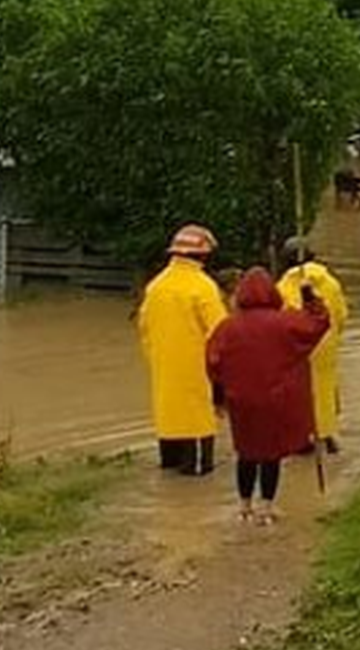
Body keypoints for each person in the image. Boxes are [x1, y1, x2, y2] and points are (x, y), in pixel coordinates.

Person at [205, 266, 330, 523]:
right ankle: (267, 508)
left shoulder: (226, 328)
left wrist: (218, 398)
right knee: (270, 454)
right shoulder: (286, 322)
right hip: (276, 399)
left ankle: (244, 507)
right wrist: (308, 296)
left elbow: (213, 364)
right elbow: (319, 323)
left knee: (246, 451)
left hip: (241, 401)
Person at [137, 224, 228, 475]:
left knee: (169, 464)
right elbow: (221, 335)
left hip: (163, 373)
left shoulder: (155, 286)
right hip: (197, 377)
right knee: (198, 474)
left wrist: (157, 359)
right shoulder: (203, 287)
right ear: (203, 255)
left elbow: (143, 328)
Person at [277, 237, 349, 454]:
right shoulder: (331, 283)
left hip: (297, 351)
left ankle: (303, 438)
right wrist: (334, 337)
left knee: (300, 395)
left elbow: (280, 322)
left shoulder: (282, 286)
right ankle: (326, 435)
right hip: (326, 347)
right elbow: (341, 315)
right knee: (324, 392)